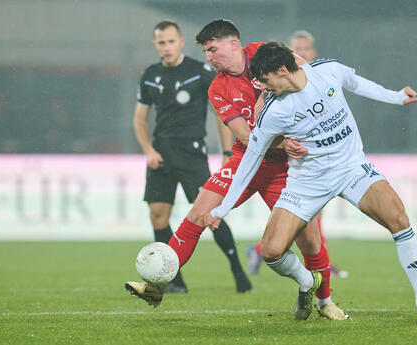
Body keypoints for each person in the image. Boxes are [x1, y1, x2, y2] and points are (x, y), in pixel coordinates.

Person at [126, 19, 348, 321]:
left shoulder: (264, 53)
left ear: (233, 44)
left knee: (308, 239)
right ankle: (157, 285)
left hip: (284, 169)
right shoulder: (217, 86)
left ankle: (325, 302)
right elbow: (244, 135)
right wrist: (283, 142)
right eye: (205, 52)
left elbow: (307, 73)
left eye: (212, 49)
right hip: (245, 163)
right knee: (196, 214)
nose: (209, 57)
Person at [205, 42, 417, 323]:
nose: (265, 90)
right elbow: (250, 161)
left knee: (399, 219)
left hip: (351, 168)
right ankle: (307, 282)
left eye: (267, 82)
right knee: (271, 251)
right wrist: (223, 207)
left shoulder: (327, 71)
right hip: (307, 181)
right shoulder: (273, 111)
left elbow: (357, 83)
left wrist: (396, 97)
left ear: (283, 69)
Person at [130, 20, 251, 294]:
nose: (167, 47)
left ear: (181, 42)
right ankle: (175, 281)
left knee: (208, 213)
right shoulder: (149, 75)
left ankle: (237, 270)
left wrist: (227, 151)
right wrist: (148, 150)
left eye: (171, 41)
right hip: (162, 153)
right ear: (155, 45)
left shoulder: (200, 72)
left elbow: (222, 115)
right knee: (158, 216)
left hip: (192, 153)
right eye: (161, 42)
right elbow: (139, 119)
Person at [246, 30, 348, 279]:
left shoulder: (317, 77)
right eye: (297, 48)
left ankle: (261, 250)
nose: (302, 52)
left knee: (312, 213)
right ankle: (319, 265)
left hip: (319, 152)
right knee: (308, 214)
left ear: (314, 52)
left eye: (306, 48)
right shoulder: (278, 86)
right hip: (298, 157)